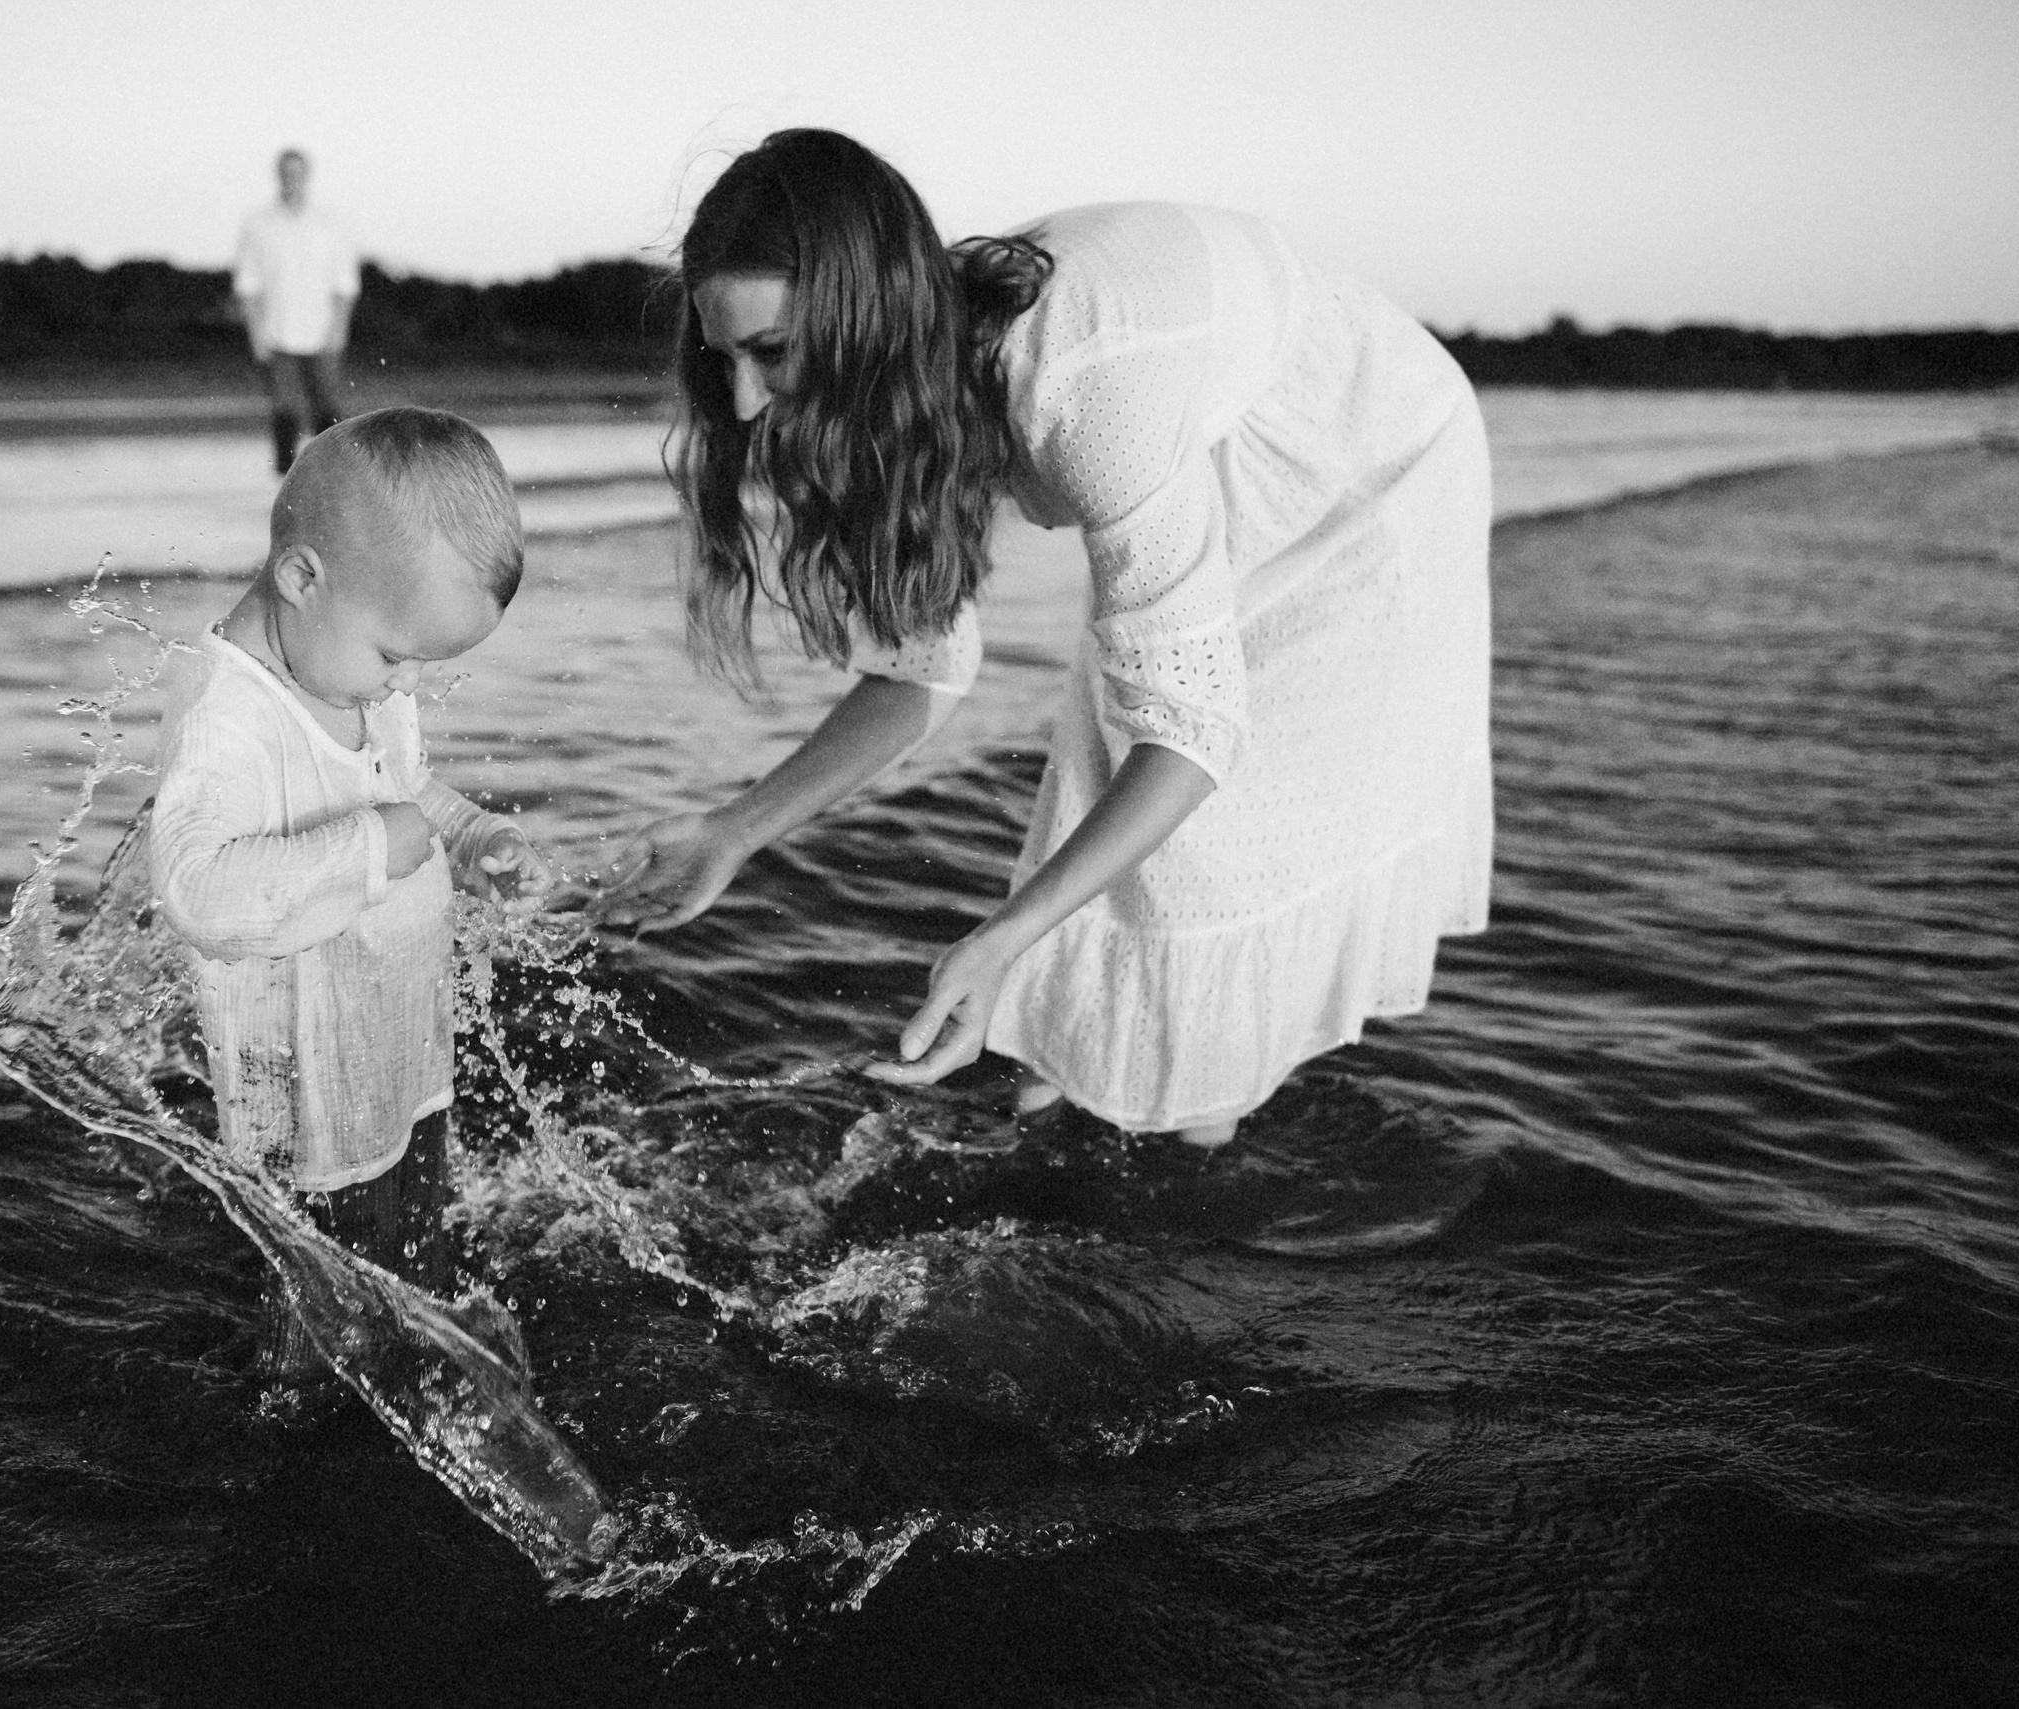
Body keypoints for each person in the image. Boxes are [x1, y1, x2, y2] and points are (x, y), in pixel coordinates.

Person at [594, 130, 1491, 1151]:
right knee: (1086, 890)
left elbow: (1192, 734)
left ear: (863, 320)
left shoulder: (1083, 387)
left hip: (1360, 468)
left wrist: (1001, 938)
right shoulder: (902, 380)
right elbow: (923, 669)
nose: (745, 402)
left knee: (1187, 877)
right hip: (1200, 423)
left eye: (772, 353)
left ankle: (1189, 1168)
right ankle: (1068, 1149)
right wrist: (733, 832)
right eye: (725, 357)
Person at [151, 407, 556, 1382]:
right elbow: (197, 892)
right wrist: (378, 842)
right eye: (394, 656)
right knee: (327, 1308)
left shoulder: (343, 663)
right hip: (310, 1098)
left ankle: (423, 1359)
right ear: (302, 577)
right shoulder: (227, 720)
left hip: (396, 1042)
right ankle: (304, 1423)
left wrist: (468, 832)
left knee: (418, 1243)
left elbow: (403, 789)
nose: (404, 685)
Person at [233, 148, 362, 475]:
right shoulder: (258, 224)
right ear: (278, 175)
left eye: (297, 173)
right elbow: (247, 285)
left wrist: (339, 329)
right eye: (286, 173)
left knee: (329, 410)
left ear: (307, 176)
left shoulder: (330, 224)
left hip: (322, 332)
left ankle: (335, 476)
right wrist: (255, 333)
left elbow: (345, 284)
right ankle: (285, 481)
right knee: (284, 411)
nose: (292, 179)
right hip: (276, 333)